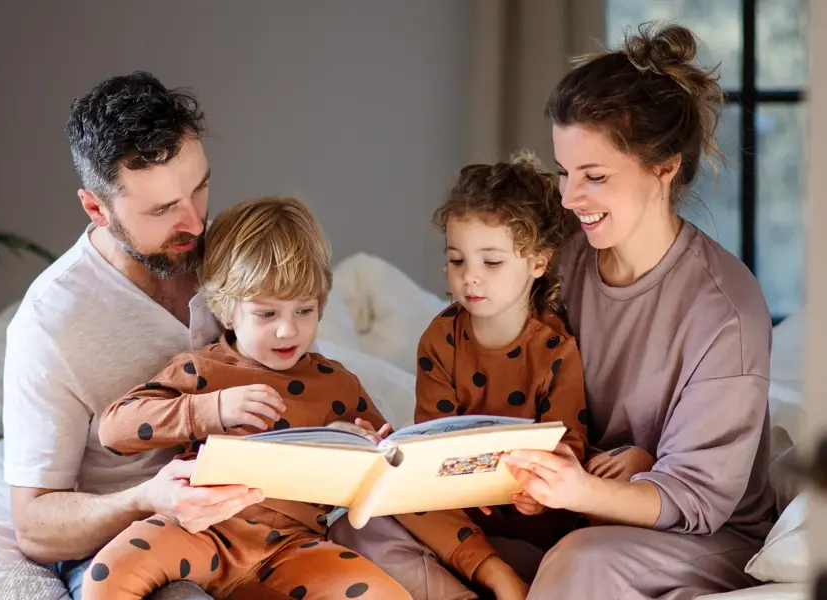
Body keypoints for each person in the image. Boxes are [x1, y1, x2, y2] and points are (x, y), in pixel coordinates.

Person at [331, 23, 776, 600]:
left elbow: (694, 501)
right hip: (558, 505)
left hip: (689, 536)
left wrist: (577, 488)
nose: (567, 199)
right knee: (362, 525)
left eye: (594, 177)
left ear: (664, 166)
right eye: (565, 172)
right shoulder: (560, 253)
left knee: (581, 562)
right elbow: (486, 366)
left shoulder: (725, 311)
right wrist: (412, 454)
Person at [3, 71, 269, 600]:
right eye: (163, 210)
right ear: (96, 209)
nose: (195, 224)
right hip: (137, 547)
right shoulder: (50, 324)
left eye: (199, 189)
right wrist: (146, 498)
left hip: (261, 524)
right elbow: (33, 523)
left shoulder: (231, 258)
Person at [81, 196, 411, 600]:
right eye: (267, 314)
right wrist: (209, 410)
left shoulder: (338, 384)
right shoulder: (203, 370)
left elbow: (388, 464)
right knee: (108, 575)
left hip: (293, 549)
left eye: (304, 310)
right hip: (200, 530)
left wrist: (358, 445)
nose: (288, 331)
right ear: (226, 307)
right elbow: (114, 429)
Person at [393, 152, 653, 600]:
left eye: (490, 263)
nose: (469, 278)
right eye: (457, 261)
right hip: (460, 513)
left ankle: (523, 573)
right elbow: (428, 439)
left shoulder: (554, 347)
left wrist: (533, 488)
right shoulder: (439, 339)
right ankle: (492, 578)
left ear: (536, 263)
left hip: (537, 508)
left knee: (608, 495)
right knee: (381, 511)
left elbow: (566, 439)